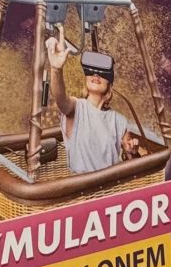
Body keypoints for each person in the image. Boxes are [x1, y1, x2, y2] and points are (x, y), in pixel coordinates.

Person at [44, 39, 140, 174]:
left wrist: (132, 153)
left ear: (109, 84)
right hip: (83, 185)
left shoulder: (119, 121)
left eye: (102, 72)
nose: (96, 74)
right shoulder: (77, 108)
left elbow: (132, 163)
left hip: (112, 183)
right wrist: (56, 69)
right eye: (91, 71)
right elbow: (61, 99)